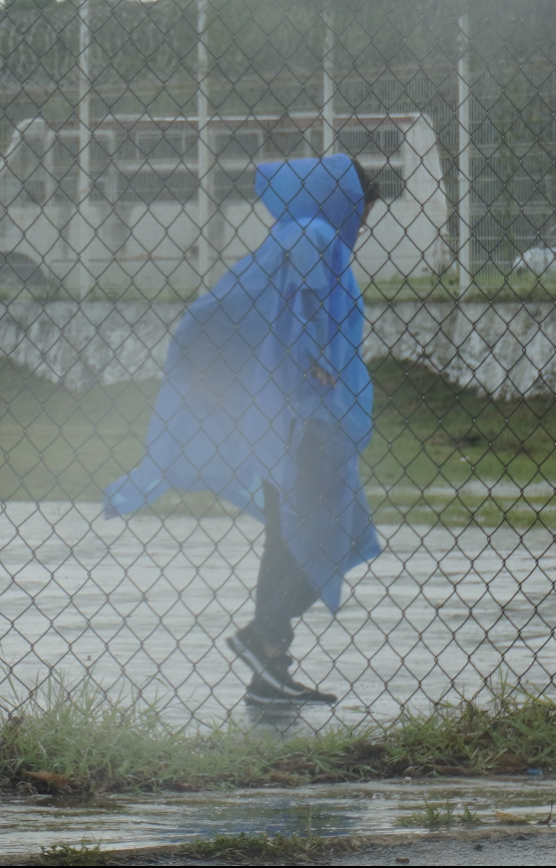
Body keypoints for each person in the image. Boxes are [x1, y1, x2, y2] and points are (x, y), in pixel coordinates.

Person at [104, 154, 382, 707]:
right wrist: (314, 359)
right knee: (334, 533)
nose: (363, 225)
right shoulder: (314, 232)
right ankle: (263, 638)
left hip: (295, 415)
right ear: (341, 200)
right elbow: (303, 308)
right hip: (308, 418)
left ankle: (268, 668)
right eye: (363, 210)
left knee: (291, 534)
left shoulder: (293, 233)